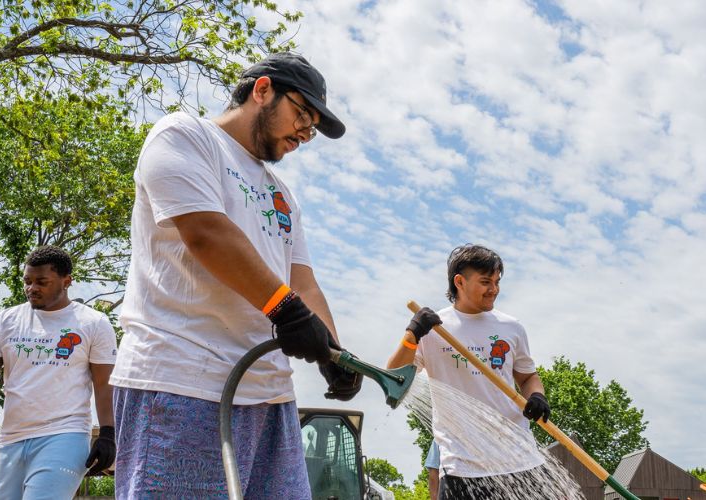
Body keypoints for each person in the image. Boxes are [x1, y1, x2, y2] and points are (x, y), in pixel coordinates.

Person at [109, 52, 362, 498]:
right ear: (262, 90)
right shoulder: (186, 135)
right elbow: (206, 232)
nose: (306, 132)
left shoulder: (281, 194)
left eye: (313, 126)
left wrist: (333, 352)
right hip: (182, 380)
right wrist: (285, 310)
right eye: (302, 113)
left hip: (270, 395)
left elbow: (301, 280)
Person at [0, 245, 117, 500]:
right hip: (11, 438)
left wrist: (108, 433)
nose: (31, 288)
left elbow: (105, 384)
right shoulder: (6, 320)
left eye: (41, 282)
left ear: (66, 281)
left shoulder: (93, 323)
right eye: (27, 281)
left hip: (64, 435)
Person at [387, 244, 552, 499]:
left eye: (497, 282)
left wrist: (537, 396)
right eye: (486, 281)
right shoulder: (433, 329)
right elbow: (393, 377)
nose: (493, 290)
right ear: (460, 282)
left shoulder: (512, 327)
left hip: (519, 457)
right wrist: (412, 334)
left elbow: (528, 376)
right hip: (462, 465)